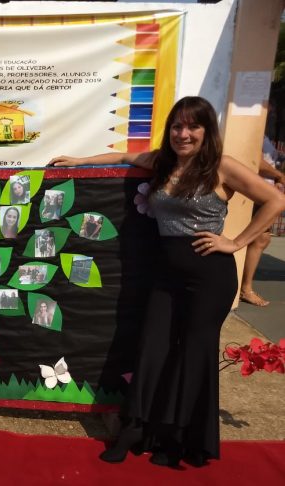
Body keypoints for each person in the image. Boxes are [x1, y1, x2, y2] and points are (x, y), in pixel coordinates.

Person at [50, 96, 285, 467]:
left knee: (194, 353)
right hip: (165, 274)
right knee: (152, 347)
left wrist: (236, 242)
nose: (183, 134)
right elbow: (123, 156)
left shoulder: (221, 166)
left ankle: (178, 439)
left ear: (207, 131)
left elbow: (275, 200)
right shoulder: (162, 161)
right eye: (177, 126)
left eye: (193, 126)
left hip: (210, 276)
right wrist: (79, 161)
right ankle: (134, 429)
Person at [239, 141, 285, 306]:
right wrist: (279, 175)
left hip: (263, 192)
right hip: (254, 192)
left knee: (261, 238)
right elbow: (254, 160)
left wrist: (276, 178)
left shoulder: (265, 138)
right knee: (259, 238)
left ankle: (245, 287)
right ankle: (245, 288)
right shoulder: (257, 132)